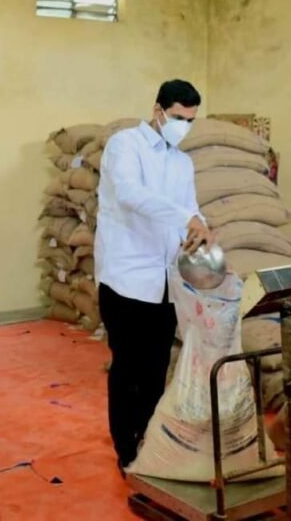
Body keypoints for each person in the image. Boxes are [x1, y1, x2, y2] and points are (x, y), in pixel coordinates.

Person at [94, 79, 215, 474]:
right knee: (128, 368)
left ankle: (150, 437)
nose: (183, 125)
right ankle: (125, 448)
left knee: (156, 367)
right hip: (126, 278)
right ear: (158, 110)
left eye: (190, 120)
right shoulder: (125, 146)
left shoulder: (182, 161)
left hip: (165, 283)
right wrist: (186, 218)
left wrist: (200, 228)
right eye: (178, 117)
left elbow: (191, 205)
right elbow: (130, 194)